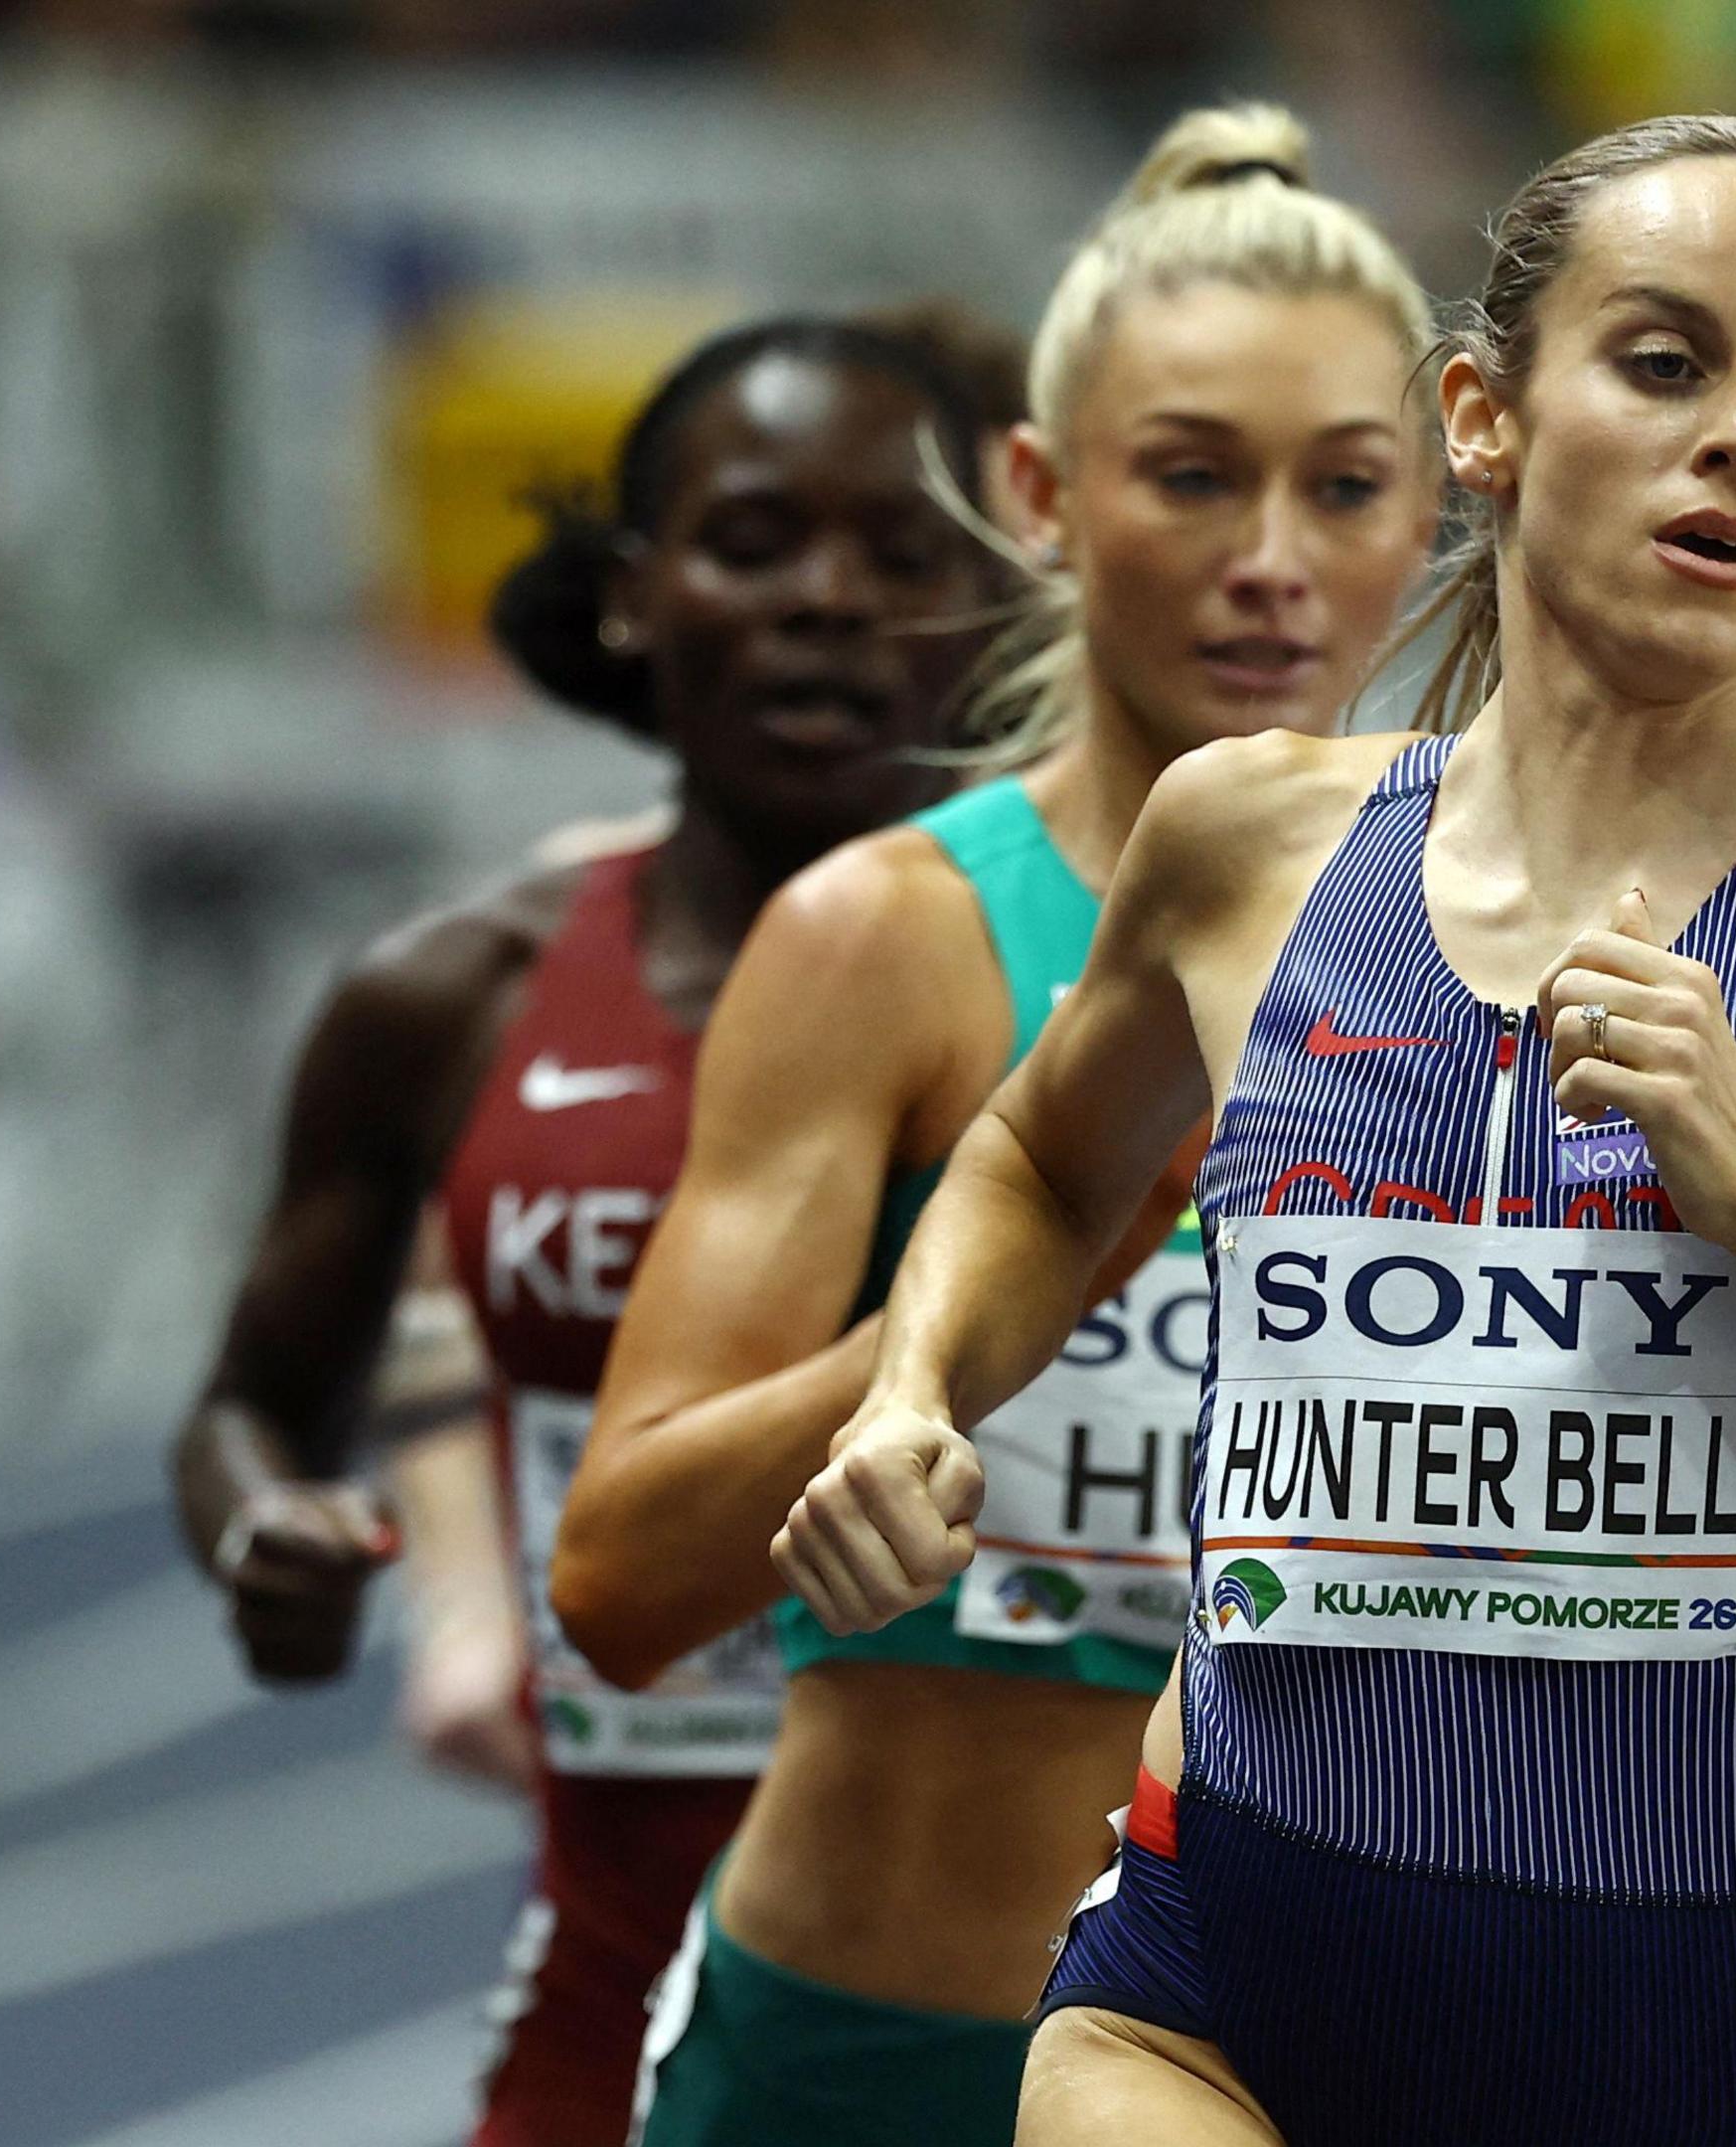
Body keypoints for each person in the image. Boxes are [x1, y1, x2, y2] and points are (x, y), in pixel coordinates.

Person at [774, 114, 1736, 2147]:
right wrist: (913, 1392)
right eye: (1666, 363)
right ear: (1483, 419)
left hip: (1688, 2034)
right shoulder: (1249, 838)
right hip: (1202, 1996)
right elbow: (1044, 1160)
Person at [547, 105, 1437, 2147]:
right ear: (1041, 494)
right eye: (1193, 478)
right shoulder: (898, 941)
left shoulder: (1517, 953)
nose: (1274, 563)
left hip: (1295, 2069)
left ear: (1439, 498)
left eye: (1346, 486)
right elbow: (617, 1577)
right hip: (869, 2060)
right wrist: (945, 1347)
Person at [164, 306, 1023, 2147]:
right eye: (753, 542)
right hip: (623, 1958)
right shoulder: (452, 1000)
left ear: (1008, 600)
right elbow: (249, 1403)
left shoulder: (1116, 997)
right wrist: (269, 1541)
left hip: (1019, 1996)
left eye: (899, 556)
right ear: (636, 594)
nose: (827, 602)